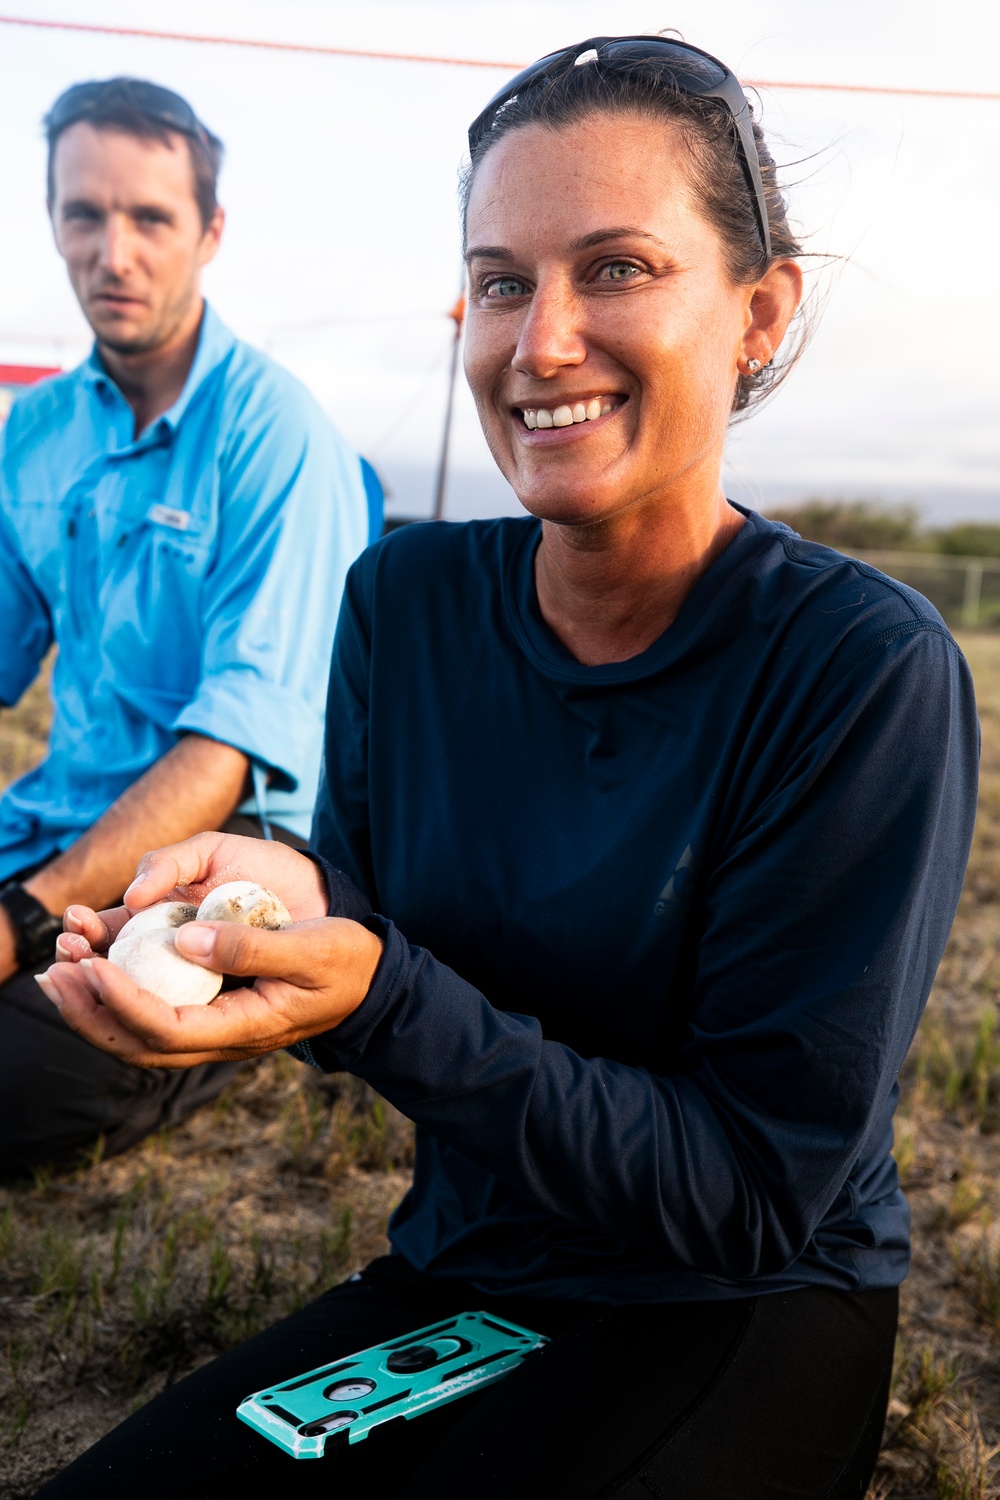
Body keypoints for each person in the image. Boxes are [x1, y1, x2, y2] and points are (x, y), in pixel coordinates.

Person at [39, 37, 978, 1499]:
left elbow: (743, 1193)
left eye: (615, 268)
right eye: (497, 280)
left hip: (738, 1304)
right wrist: (258, 907)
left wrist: (384, 998)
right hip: (463, 1277)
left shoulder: (859, 671)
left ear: (759, 312)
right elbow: (360, 905)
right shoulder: (401, 608)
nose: (539, 341)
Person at [0, 77, 370, 1175]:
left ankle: (219, 1036)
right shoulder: (39, 430)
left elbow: (227, 751)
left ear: (209, 233)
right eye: (84, 214)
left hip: (214, 868)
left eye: (150, 217)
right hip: (59, 827)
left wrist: (17, 922)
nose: (114, 251)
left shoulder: (279, 439)